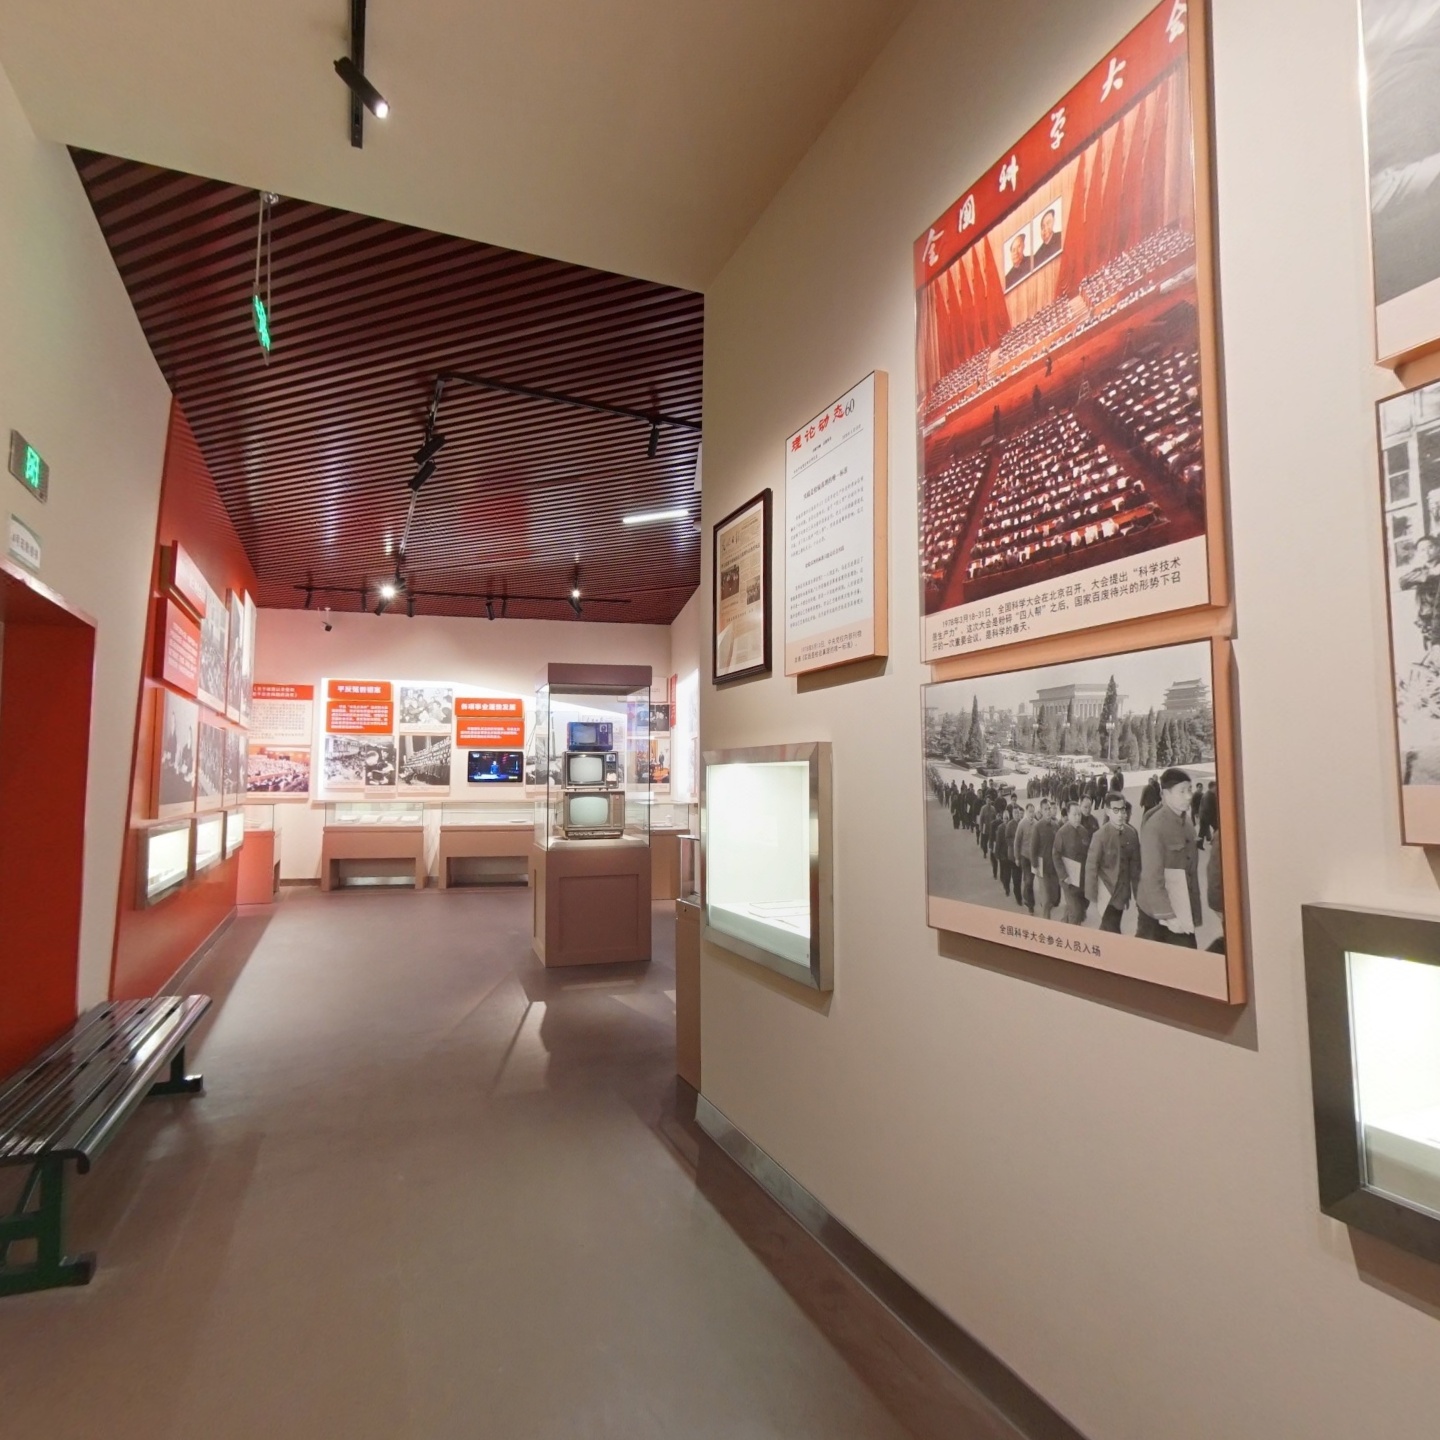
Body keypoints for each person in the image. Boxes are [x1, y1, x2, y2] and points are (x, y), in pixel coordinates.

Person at [1134, 767, 1201, 947]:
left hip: (1181, 905)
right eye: (1182, 791)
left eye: (1190, 790)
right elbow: (1151, 878)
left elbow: (1191, 873)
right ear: (1165, 794)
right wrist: (1169, 916)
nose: (1189, 796)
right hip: (1155, 912)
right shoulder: (1155, 827)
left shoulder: (1187, 824)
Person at [1085, 793, 1142, 932]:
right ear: (1107, 811)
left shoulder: (1131, 834)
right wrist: (1093, 895)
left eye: (1122, 809)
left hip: (1122, 893)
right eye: (1115, 810)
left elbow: (1136, 868)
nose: (1120, 814)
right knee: (1112, 928)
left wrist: (1139, 895)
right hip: (1106, 893)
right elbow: (1091, 866)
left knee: (1110, 926)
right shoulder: (1100, 836)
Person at [1053, 801, 1092, 924]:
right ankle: (1073, 931)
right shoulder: (1062, 833)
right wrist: (1064, 875)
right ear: (1068, 815)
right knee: (1075, 912)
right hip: (1069, 880)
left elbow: (1089, 853)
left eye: (1079, 814)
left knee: (1083, 904)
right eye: (1074, 814)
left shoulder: (1084, 831)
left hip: (1082, 878)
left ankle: (1065, 922)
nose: (1077, 817)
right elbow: (1056, 855)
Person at [1029, 799, 1060, 920]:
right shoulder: (1038, 827)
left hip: (1054, 868)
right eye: (1045, 809)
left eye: (1049, 809)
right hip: (1043, 868)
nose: (1048, 811)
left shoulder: (1056, 826)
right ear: (1041, 811)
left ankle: (1046, 905)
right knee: (1047, 899)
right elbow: (1033, 848)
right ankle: (1046, 922)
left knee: (1054, 897)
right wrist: (1034, 865)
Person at [1014, 802, 1037, 914]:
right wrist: (1017, 857)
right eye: (1030, 812)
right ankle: (1030, 905)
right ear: (1026, 812)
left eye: (1033, 812)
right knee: (1029, 882)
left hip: (1034, 858)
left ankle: (1025, 894)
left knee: (1029, 881)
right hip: (1024, 857)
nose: (1032, 814)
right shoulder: (1022, 824)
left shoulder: (1037, 824)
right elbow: (1017, 842)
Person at [998, 804, 1020, 901]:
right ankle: (1007, 888)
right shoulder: (1008, 826)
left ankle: (1017, 894)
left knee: (1016, 877)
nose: (1017, 814)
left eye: (1018, 813)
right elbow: (1004, 839)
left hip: (1017, 855)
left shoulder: (1020, 823)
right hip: (1008, 854)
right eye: (1015, 813)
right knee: (1007, 874)